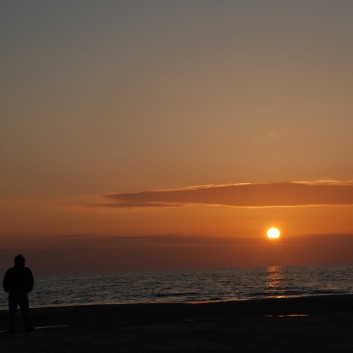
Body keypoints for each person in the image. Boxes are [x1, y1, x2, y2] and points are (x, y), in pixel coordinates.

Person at [3, 255, 34, 333]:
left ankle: (12, 328)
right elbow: (31, 281)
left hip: (14, 294)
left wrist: (8, 290)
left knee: (13, 313)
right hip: (21, 294)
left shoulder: (10, 271)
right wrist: (28, 289)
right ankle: (27, 327)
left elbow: (5, 283)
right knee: (24, 312)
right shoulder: (26, 270)